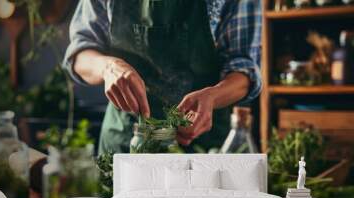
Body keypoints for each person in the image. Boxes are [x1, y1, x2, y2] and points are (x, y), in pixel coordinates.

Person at [63, 0, 262, 154]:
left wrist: (213, 96)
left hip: (202, 144)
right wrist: (107, 67)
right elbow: (80, 54)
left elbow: (245, 70)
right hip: (126, 140)